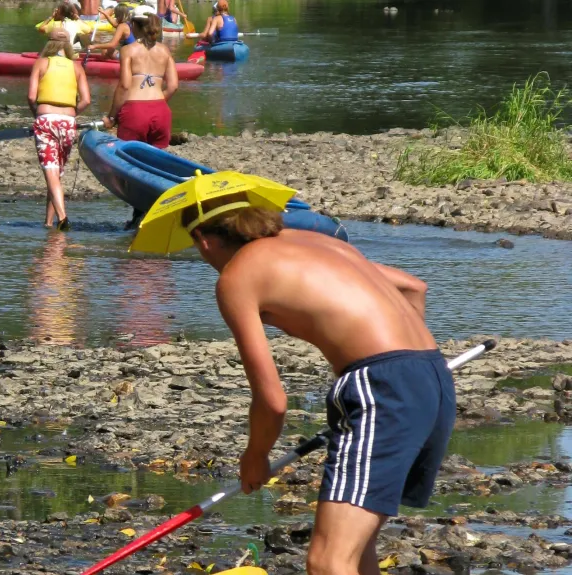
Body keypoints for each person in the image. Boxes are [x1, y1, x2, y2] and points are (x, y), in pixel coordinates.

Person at [169, 193, 452, 575]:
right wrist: (399, 373)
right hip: (432, 375)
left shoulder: (237, 277)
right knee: (356, 552)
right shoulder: (319, 243)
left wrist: (255, 456)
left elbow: (272, 401)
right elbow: (413, 287)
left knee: (328, 562)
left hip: (381, 387)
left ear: (204, 238)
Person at [102, 7, 177, 226]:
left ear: (134, 25)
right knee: (156, 165)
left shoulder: (128, 51)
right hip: (160, 111)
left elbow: (125, 85)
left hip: (135, 110)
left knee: (132, 166)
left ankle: (137, 217)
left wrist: (112, 116)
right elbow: (173, 86)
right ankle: (155, 215)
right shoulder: (165, 51)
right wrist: (156, 100)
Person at [28, 36, 90, 231]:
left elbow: (31, 96)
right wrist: (71, 115)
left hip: (46, 120)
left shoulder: (41, 63)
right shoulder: (77, 67)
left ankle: (62, 217)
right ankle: (48, 223)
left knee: (51, 171)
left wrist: (36, 113)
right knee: (56, 173)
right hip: (68, 123)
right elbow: (86, 100)